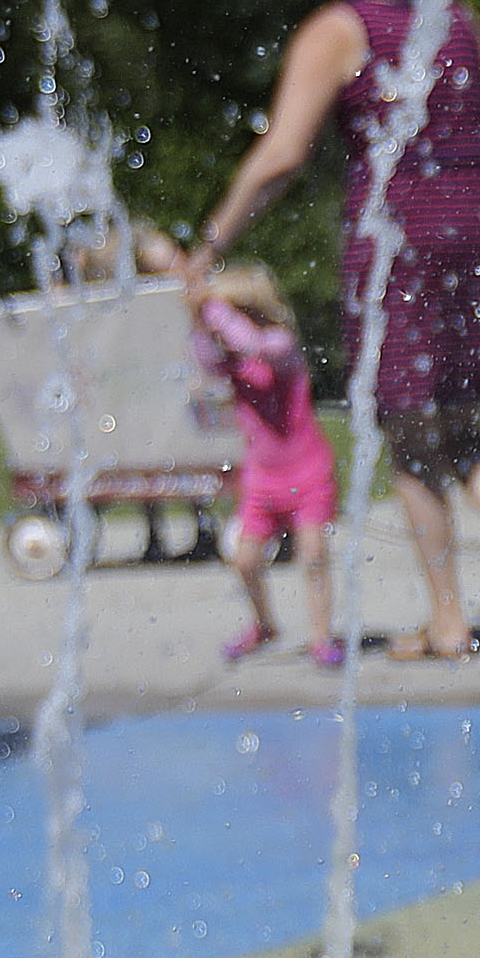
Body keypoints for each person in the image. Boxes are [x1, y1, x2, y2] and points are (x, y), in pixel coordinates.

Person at [182, 0, 480, 663]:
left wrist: (211, 243)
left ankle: (448, 620)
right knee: (460, 421)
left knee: (410, 430)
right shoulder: (461, 20)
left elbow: (282, 155)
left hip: (399, 242)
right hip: (479, 230)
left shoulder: (336, 30)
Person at [192, 263, 342, 667]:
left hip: (308, 471)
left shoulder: (280, 344)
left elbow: (257, 346)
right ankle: (264, 624)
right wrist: (201, 322)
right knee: (244, 560)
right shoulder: (233, 361)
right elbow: (205, 361)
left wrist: (217, 313)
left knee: (312, 554)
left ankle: (321, 636)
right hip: (262, 478)